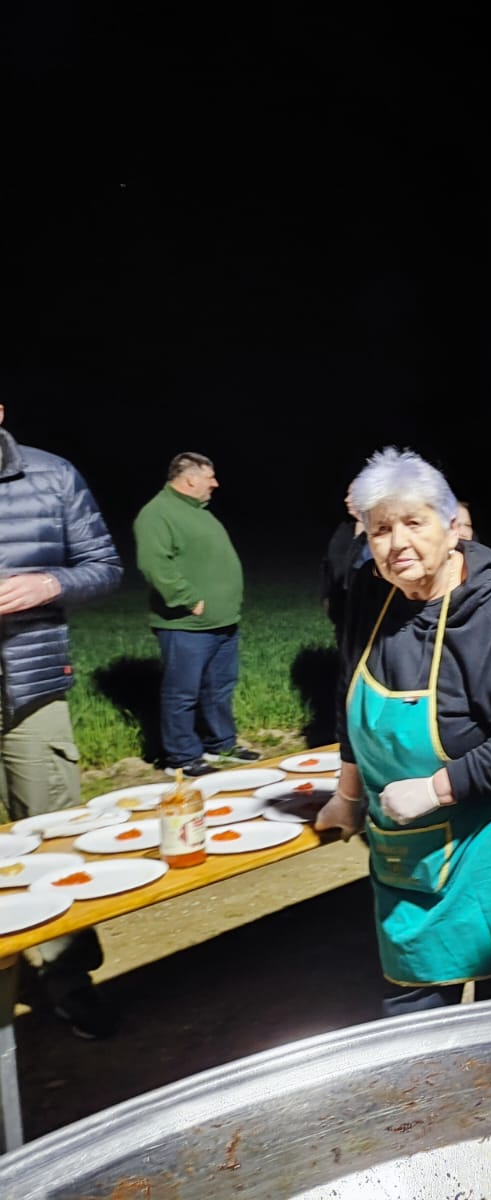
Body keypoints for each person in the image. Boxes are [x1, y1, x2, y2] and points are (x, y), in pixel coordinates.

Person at [313, 447, 491, 1014]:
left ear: (450, 526)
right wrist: (347, 794)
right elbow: (352, 689)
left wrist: (436, 789)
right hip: (411, 834)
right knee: (413, 983)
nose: (397, 543)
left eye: (414, 522)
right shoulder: (371, 591)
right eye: (381, 528)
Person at [0, 403, 124, 1038]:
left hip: (34, 688)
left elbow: (105, 566)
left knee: (49, 837)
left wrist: (48, 583)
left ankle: (70, 981)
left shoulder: (51, 477)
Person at [133, 452, 260, 777]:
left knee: (219, 687)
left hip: (222, 622)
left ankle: (221, 744)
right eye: (209, 477)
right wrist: (187, 599)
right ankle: (182, 756)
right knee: (182, 692)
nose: (215, 483)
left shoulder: (198, 512)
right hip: (186, 625)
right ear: (190, 479)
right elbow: (154, 564)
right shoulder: (157, 514)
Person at [319, 486, 369, 636]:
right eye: (347, 494)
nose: (347, 499)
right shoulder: (344, 530)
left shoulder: (379, 536)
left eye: (353, 495)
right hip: (341, 610)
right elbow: (328, 566)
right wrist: (326, 597)